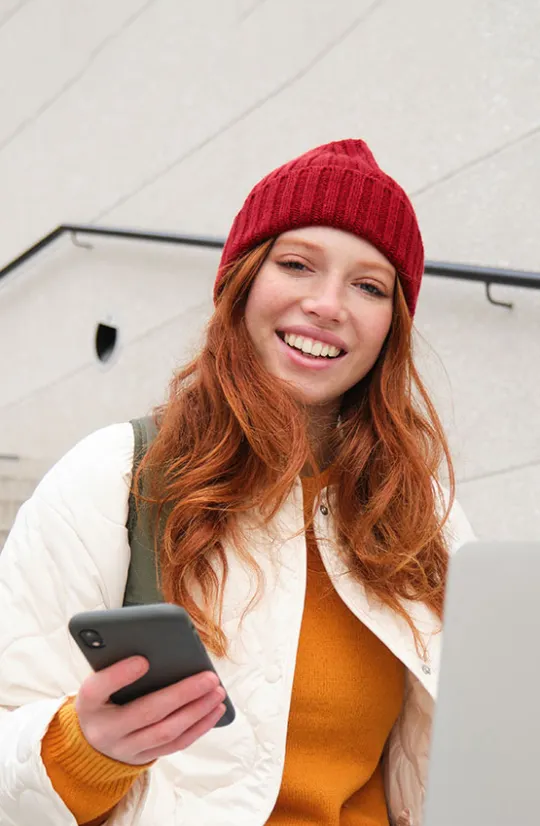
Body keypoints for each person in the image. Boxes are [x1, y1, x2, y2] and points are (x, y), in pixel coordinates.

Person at [0, 139, 473, 826]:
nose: (327, 304)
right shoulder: (117, 475)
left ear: (391, 327)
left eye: (369, 286)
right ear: (242, 281)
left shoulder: (425, 513)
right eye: (297, 265)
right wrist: (84, 750)